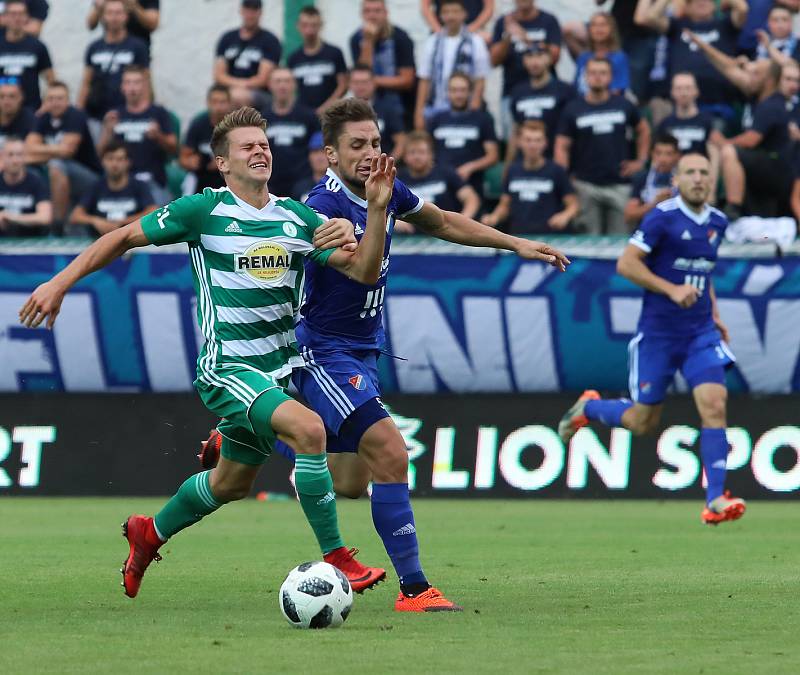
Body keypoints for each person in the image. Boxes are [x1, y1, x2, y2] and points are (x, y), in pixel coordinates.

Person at [199, 97, 570, 613]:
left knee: (352, 481)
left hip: (363, 350)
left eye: (375, 142)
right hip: (322, 351)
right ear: (330, 155)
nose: (371, 152)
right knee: (392, 452)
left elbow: (442, 222)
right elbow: (360, 269)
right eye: (357, 145)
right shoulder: (321, 208)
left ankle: (253, 433)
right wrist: (364, 219)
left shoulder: (386, 189)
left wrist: (515, 243)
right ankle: (415, 589)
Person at [18, 105, 389, 599]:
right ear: (222, 163)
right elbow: (125, 236)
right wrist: (59, 282)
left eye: (264, 144)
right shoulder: (203, 211)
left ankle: (148, 533)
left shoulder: (298, 218)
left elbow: (363, 270)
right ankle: (339, 557)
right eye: (247, 147)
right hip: (228, 368)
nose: (260, 151)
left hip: (276, 373)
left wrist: (375, 213)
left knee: (230, 484)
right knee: (310, 429)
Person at [558, 152, 746, 527]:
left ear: (713, 181)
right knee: (643, 423)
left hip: (699, 333)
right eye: (690, 172)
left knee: (714, 401)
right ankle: (589, 409)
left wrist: (716, 314)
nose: (698, 178)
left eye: (704, 173)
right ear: (676, 180)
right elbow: (626, 263)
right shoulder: (662, 217)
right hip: (659, 335)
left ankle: (715, 499)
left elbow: (702, 276)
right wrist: (670, 289)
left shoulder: (718, 222)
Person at [554, 56, 650, 234]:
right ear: (585, 76)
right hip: (585, 185)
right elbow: (562, 145)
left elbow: (643, 130)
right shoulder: (573, 108)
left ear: (611, 77)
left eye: (603, 73)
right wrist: (565, 179)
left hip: (619, 184)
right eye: (593, 73)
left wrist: (640, 161)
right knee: (588, 243)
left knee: (621, 242)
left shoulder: (624, 105)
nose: (598, 77)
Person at [635, 0, 749, 121]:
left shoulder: (725, 25)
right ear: (687, 7)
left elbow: (743, 9)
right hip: (680, 103)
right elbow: (651, 17)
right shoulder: (678, 26)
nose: (701, 2)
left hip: (718, 104)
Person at [715, 60, 799, 220]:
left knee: (729, 151)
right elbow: (730, 70)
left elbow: (751, 140)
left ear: (769, 80)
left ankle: (733, 207)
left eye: (756, 74)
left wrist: (723, 143)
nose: (749, 78)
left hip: (781, 170)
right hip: (772, 167)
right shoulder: (761, 100)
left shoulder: (772, 103)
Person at [97, 64, 177, 206]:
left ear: (145, 85)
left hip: (152, 180)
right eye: (128, 82)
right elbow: (100, 154)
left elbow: (174, 148)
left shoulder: (159, 113)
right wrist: (107, 131)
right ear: (122, 87)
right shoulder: (115, 115)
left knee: (161, 219)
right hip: (122, 182)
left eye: (136, 82)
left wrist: (159, 136)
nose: (132, 87)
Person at [25, 81, 101, 229]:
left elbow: (68, 151)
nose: (55, 103)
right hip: (58, 173)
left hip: (90, 177)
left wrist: (40, 151)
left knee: (56, 165)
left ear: (68, 100)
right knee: (23, 165)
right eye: (51, 99)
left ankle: (57, 226)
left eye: (60, 98)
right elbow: (28, 147)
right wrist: (56, 150)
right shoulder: (43, 117)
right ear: (45, 101)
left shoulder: (76, 116)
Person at [482, 120, 577, 234]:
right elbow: (505, 205)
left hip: (549, 239)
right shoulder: (512, 170)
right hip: (519, 238)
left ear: (545, 143)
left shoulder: (556, 171)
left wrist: (564, 216)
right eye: (528, 140)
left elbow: (573, 205)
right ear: (519, 142)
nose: (532, 145)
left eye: (537, 140)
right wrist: (494, 217)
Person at [414, 0, 491, 129]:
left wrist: (473, 111)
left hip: (465, 108)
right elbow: (424, 80)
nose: (451, 16)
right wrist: (419, 114)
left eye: (455, 12)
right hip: (436, 109)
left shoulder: (476, 42)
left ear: (464, 14)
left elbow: (480, 80)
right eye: (446, 12)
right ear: (440, 15)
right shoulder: (432, 42)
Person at [490, 0, 562, 135]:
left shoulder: (548, 20)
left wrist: (526, 38)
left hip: (546, 91)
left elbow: (555, 58)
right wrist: (507, 37)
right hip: (512, 90)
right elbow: (494, 61)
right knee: (512, 137)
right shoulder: (504, 22)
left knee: (548, 136)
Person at [78, 0, 149, 128]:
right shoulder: (94, 47)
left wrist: (145, 112)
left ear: (126, 16)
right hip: (96, 114)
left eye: (118, 13)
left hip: (127, 115)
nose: (114, 17)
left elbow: (146, 82)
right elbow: (85, 83)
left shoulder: (138, 47)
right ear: (103, 16)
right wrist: (78, 113)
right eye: (110, 13)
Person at [428, 72, 498, 196]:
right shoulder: (436, 120)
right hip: (442, 188)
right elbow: (428, 152)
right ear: (447, 92)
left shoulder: (483, 119)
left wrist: (470, 167)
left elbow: (492, 156)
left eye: (463, 90)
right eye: (454, 90)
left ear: (470, 92)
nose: (458, 95)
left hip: (473, 183)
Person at [69, 138, 155, 236]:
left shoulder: (139, 186)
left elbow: (152, 211)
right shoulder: (95, 187)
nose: (114, 164)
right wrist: (96, 221)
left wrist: (123, 223)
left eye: (119, 159)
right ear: (102, 162)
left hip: (132, 239)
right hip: (100, 240)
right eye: (110, 159)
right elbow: (75, 216)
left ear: (128, 162)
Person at [506, 42, 575, 164]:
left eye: (540, 56)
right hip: (525, 164)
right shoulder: (518, 92)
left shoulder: (565, 90)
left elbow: (572, 132)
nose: (534, 61)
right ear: (524, 61)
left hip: (556, 162)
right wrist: (508, 168)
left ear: (549, 59)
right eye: (530, 57)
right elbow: (516, 132)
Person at [398, 129, 480, 226]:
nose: (416, 157)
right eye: (412, 152)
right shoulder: (398, 179)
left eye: (421, 152)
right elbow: (385, 209)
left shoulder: (445, 172)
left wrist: (461, 222)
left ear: (431, 154)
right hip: (409, 238)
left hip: (446, 234)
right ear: (404, 156)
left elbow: (472, 199)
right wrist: (397, 223)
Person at [349, 0, 416, 116]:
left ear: (386, 13)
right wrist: (368, 42)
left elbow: (407, 80)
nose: (372, 15)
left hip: (400, 104)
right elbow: (362, 73)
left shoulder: (401, 38)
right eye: (367, 11)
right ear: (362, 14)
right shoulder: (356, 39)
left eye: (377, 11)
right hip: (368, 106)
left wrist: (371, 81)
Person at [262, 67, 319, 199]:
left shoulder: (309, 117)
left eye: (287, 81)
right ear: (269, 85)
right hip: (270, 183)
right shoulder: (261, 118)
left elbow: (318, 149)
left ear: (294, 85)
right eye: (278, 81)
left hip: (302, 182)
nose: (282, 86)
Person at [214, 0, 281, 110]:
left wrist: (241, 87)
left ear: (260, 13)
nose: (250, 15)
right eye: (247, 10)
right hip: (229, 90)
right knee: (218, 98)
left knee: (237, 96)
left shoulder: (270, 40)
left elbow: (263, 79)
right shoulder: (227, 38)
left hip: (260, 93)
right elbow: (218, 75)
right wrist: (238, 85)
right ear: (241, 11)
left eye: (254, 11)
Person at [287, 5, 348, 114]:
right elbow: (289, 89)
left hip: (332, 114)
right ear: (298, 26)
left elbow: (343, 85)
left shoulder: (334, 53)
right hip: (303, 114)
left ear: (321, 26)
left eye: (313, 25)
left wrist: (326, 108)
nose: (309, 30)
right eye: (305, 25)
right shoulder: (293, 58)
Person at [0, 0, 54, 111]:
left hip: (31, 111)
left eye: (21, 14)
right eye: (13, 14)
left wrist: (44, 108)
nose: (17, 18)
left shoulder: (37, 46)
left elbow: (51, 81)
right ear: (5, 17)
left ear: (27, 17)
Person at [179, 84, 232, 194]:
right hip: (201, 177)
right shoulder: (198, 124)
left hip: (229, 177)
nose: (218, 107)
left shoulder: (236, 126)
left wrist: (223, 163)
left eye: (222, 102)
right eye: (214, 102)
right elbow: (183, 158)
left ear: (229, 104)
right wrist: (192, 162)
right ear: (208, 103)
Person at [623, 133, 680, 228]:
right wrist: (655, 204)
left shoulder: (684, 179)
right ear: (652, 154)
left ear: (677, 155)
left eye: (668, 154)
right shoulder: (641, 178)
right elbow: (629, 215)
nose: (663, 159)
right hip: (647, 230)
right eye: (658, 153)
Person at [349, 64, 405, 159]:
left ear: (373, 83)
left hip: (382, 168)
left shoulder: (388, 109)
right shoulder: (343, 112)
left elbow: (401, 141)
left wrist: (387, 166)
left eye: (364, 82)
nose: (360, 86)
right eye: (356, 82)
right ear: (349, 85)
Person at [568, 11, 630, 97]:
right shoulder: (583, 57)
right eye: (594, 25)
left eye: (603, 25)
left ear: (611, 29)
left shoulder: (619, 57)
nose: (598, 29)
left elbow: (618, 90)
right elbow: (576, 87)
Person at [0, 136, 50, 236]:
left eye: (19, 155)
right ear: (2, 157)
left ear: (25, 157)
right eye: (10, 155)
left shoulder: (36, 181)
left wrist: (11, 217)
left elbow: (45, 217)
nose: (15, 160)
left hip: (31, 242)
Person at [87, 0, 159, 53]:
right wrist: (98, 7)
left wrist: (135, 7)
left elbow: (153, 24)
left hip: (138, 50)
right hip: (108, 48)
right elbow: (91, 25)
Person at [292, 131, 328, 203]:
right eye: (315, 151)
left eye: (323, 151)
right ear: (309, 156)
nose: (319, 157)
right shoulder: (300, 188)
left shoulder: (342, 187)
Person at [421, 0, 494, 34]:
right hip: (442, 31)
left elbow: (489, 8)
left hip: (475, 32)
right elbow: (425, 7)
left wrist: (471, 29)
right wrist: (439, 30)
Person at [0, 79, 35, 146]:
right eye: (2, 97)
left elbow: (31, 148)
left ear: (21, 98)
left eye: (12, 96)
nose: (6, 101)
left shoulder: (30, 119)